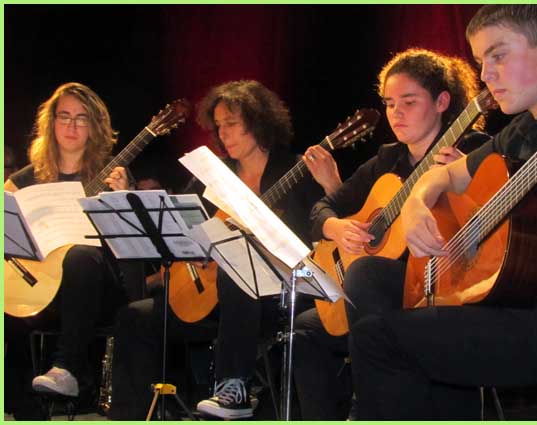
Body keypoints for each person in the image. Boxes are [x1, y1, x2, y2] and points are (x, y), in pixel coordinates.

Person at [348, 5, 537, 420]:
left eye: (498, 55)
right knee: (368, 275)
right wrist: (417, 203)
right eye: (480, 61)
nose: (486, 75)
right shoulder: (523, 128)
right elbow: (445, 175)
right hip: (519, 296)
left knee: (377, 341)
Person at [107, 80, 342, 420]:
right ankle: (127, 416)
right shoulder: (215, 175)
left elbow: (331, 227)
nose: (223, 133)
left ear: (259, 122)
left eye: (231, 123)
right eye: (218, 125)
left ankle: (234, 387)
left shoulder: (295, 171)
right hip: (209, 294)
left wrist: (332, 184)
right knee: (134, 317)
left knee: (237, 265)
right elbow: (179, 219)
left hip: (274, 297)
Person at [292, 48, 490, 420]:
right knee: (302, 331)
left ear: (442, 102)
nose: (396, 113)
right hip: (382, 293)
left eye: (409, 102)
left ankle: (370, 406)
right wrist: (336, 227)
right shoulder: (386, 159)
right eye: (389, 104)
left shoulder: (472, 150)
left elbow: (497, 218)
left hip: (440, 283)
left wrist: (466, 181)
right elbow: (322, 209)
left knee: (365, 274)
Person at [4, 82, 143, 418]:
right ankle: (21, 406)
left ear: (95, 126)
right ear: (51, 123)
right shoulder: (24, 181)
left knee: (82, 255)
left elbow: (132, 248)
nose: (71, 125)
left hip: (97, 292)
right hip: (43, 291)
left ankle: (67, 368)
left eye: (81, 118)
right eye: (64, 116)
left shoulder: (113, 176)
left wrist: (122, 198)